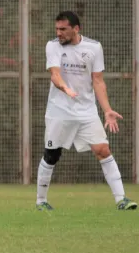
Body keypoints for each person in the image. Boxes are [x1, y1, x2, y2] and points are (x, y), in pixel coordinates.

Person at [36, 11, 137, 211]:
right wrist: (65, 88)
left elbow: (98, 81)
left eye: (63, 29)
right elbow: (55, 74)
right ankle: (41, 201)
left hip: (86, 111)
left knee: (103, 150)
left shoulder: (94, 47)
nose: (58, 33)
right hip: (59, 111)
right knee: (52, 155)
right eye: (57, 29)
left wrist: (107, 110)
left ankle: (121, 199)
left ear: (76, 29)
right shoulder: (52, 46)